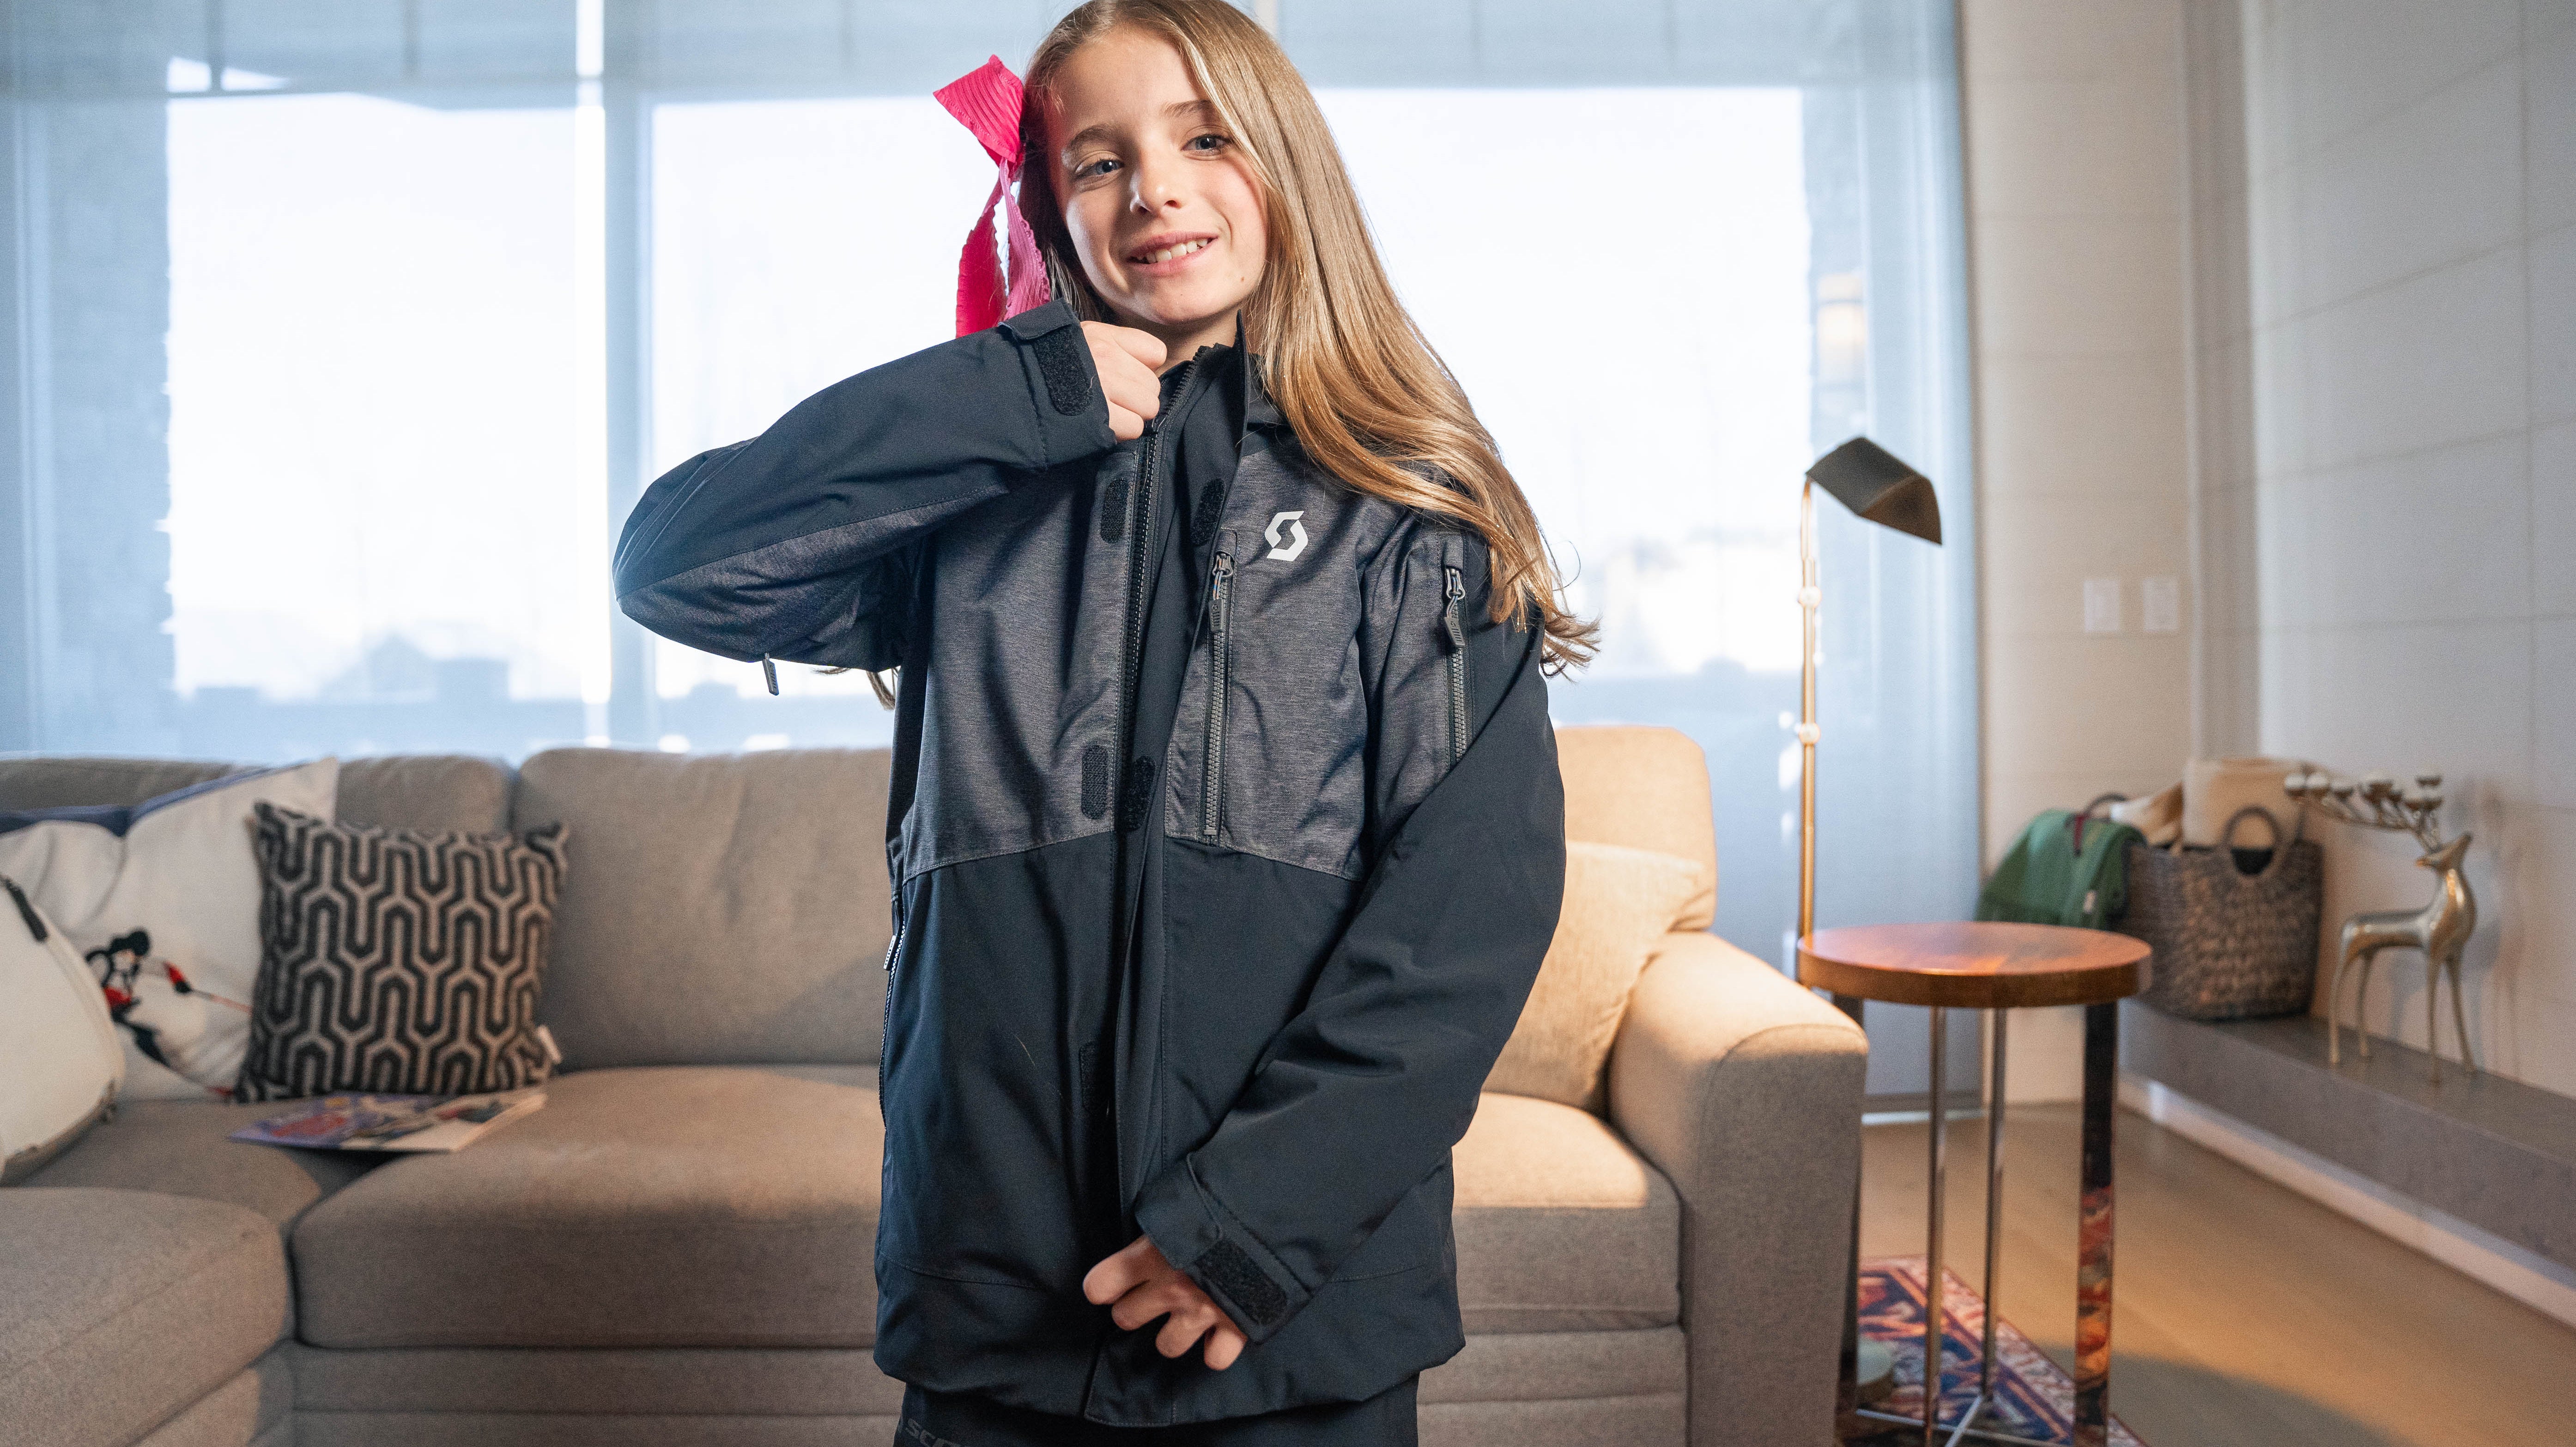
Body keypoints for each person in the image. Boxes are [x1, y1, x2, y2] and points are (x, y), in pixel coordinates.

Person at [612, 2, 1591, 1441]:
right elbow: (677, 567)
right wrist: (1005, 387)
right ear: (1044, 213)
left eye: (1204, 138)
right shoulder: (971, 498)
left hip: (1286, 1322)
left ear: (1285, 166)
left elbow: (1465, 922)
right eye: (1095, 161)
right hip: (994, 1296)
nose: (1156, 190)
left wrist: (1248, 1228)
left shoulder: (1408, 513)